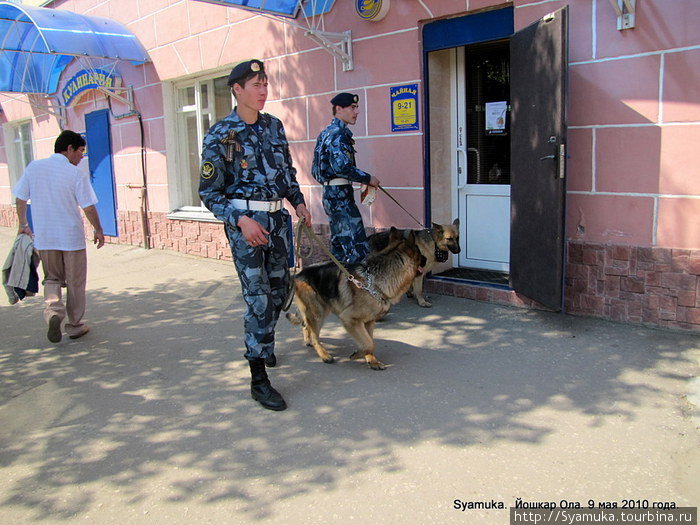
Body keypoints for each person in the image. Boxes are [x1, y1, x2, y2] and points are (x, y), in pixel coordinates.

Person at [199, 59, 312, 412]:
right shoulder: (220, 134)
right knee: (259, 299)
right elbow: (209, 193)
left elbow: (286, 173)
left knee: (280, 291)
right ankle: (259, 377)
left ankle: (265, 340)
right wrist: (241, 220)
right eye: (256, 84)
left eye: (265, 83)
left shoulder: (274, 127)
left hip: (278, 222)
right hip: (246, 227)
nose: (263, 90)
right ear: (237, 89)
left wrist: (299, 202)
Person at [13, 130, 105, 343]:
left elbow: (19, 198)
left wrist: (23, 225)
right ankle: (74, 326)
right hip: (71, 238)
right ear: (69, 149)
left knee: (52, 278)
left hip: (45, 238)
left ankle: (53, 312)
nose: (81, 156)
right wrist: (98, 229)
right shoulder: (74, 174)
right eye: (80, 151)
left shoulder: (34, 167)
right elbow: (88, 207)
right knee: (75, 282)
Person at [311, 92, 380, 264]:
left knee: (339, 249)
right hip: (340, 197)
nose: (356, 111)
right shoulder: (339, 134)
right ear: (339, 109)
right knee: (358, 250)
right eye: (353, 107)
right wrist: (367, 178)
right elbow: (342, 167)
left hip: (330, 194)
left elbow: (315, 170)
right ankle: (358, 290)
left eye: (357, 107)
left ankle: (337, 289)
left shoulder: (326, 133)